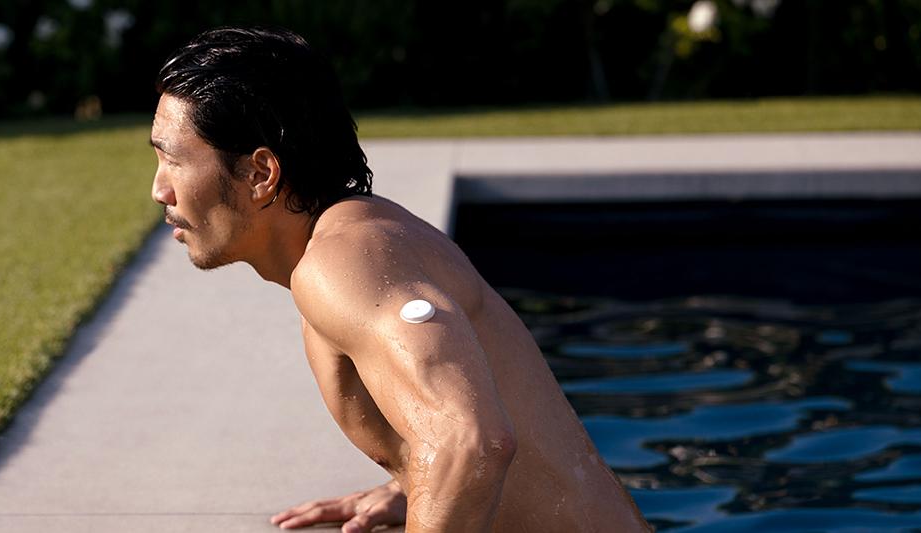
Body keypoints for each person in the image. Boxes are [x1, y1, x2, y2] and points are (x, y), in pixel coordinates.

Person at [149, 26, 649, 533]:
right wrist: (413, 483)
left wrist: (443, 474)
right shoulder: (360, 237)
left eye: (173, 160)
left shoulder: (343, 264)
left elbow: (470, 441)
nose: (159, 189)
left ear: (261, 174)